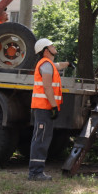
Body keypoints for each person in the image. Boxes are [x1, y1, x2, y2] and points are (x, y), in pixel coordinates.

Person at [28, 38, 70, 181]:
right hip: (44, 108)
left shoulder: (48, 64)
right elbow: (47, 87)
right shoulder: (46, 65)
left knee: (42, 138)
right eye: (51, 45)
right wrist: (53, 106)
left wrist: (68, 64)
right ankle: (35, 173)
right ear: (46, 51)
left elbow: (57, 65)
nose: (54, 46)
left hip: (44, 108)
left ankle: (36, 171)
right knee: (40, 139)